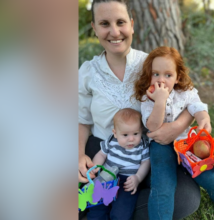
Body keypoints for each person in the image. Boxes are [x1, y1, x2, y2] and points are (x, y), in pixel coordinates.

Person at [78, 0, 201, 219]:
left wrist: (177, 126)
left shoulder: (151, 65)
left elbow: (189, 96)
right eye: (104, 23)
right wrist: (78, 155)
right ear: (95, 28)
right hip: (103, 151)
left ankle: (115, 205)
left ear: (132, 25)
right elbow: (82, 120)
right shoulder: (88, 72)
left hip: (147, 153)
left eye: (121, 22)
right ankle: (105, 203)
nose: (114, 31)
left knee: (185, 198)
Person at [133, 46, 214, 220]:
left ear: (177, 77)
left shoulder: (185, 91)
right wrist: (159, 100)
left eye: (168, 75)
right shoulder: (148, 98)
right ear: (149, 75)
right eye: (156, 74)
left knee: (209, 175)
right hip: (161, 146)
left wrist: (203, 118)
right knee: (163, 185)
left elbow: (196, 106)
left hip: (188, 142)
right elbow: (153, 126)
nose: (161, 80)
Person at [87, 108, 150, 220]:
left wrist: (138, 178)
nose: (131, 139)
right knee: (97, 209)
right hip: (106, 178)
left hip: (127, 182)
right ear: (115, 133)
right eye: (125, 135)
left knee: (122, 213)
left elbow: (146, 162)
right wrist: (95, 167)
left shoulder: (142, 145)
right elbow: (102, 154)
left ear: (141, 131)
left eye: (136, 133)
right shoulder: (111, 141)